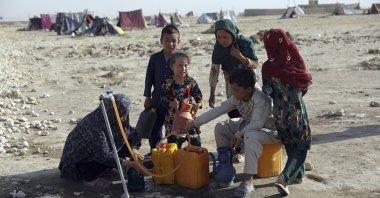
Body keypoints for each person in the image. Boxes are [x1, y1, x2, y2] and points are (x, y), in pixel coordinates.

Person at [181, 67, 280, 197]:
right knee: (221, 127)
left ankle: (248, 181)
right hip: (249, 126)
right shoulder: (237, 97)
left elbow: (256, 125)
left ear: (249, 89)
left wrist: (237, 135)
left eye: (236, 90)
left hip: (270, 131)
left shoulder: (260, 99)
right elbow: (218, 110)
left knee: (250, 135)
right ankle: (225, 169)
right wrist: (193, 123)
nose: (233, 92)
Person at [262, 28, 312, 196]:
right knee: (301, 144)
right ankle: (285, 177)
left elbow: (267, 90)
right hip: (296, 111)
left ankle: (298, 175)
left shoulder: (267, 67)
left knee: (290, 142)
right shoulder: (296, 63)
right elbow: (304, 86)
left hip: (279, 113)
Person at [58, 94, 145, 188]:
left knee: (127, 144)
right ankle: (89, 179)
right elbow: (103, 156)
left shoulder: (119, 116)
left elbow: (129, 132)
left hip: (99, 152)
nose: (124, 118)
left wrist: (134, 149)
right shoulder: (95, 125)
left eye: (126, 115)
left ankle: (122, 164)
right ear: (113, 113)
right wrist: (132, 164)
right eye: (122, 116)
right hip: (77, 165)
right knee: (97, 166)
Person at [209, 19, 259, 119]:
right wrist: (212, 93)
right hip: (232, 86)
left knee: (255, 115)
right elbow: (214, 71)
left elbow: (255, 64)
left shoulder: (245, 43)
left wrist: (240, 56)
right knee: (235, 115)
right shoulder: (219, 48)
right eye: (219, 37)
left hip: (249, 84)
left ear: (232, 34)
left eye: (225, 37)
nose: (222, 40)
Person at [143, 24, 180, 151]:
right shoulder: (155, 58)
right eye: (167, 40)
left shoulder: (180, 60)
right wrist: (147, 96)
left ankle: (172, 152)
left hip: (173, 101)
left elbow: (185, 80)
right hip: (157, 99)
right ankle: (156, 151)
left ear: (179, 42)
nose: (170, 43)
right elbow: (149, 78)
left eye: (174, 41)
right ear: (161, 41)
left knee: (172, 129)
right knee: (155, 126)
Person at [160, 52, 203, 148]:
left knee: (195, 140)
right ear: (172, 67)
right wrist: (171, 104)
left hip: (188, 116)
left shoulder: (190, 81)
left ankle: (194, 160)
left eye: (185, 65)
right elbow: (162, 97)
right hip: (173, 117)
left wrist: (198, 104)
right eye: (179, 66)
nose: (183, 68)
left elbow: (198, 94)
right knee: (174, 143)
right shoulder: (168, 82)